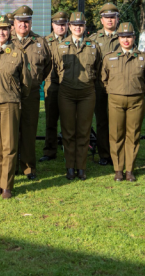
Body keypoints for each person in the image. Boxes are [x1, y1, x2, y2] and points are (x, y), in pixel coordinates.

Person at [0, 15, 32, 198]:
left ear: (10, 31)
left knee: (9, 145)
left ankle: (7, 185)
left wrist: (14, 95)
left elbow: (26, 83)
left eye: (4, 29)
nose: (1, 32)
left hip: (10, 102)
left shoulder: (18, 54)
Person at [50, 12, 100, 180]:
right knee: (68, 131)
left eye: (81, 25)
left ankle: (81, 167)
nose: (77, 27)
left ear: (84, 27)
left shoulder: (93, 46)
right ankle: (70, 166)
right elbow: (56, 69)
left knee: (84, 131)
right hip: (67, 93)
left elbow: (99, 70)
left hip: (87, 92)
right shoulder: (61, 46)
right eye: (74, 25)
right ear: (69, 27)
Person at [101, 22, 145, 182]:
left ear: (134, 37)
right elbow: (103, 79)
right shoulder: (109, 57)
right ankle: (118, 169)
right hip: (115, 100)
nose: (126, 40)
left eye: (129, 37)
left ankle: (130, 169)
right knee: (116, 135)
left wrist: (139, 92)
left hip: (136, 101)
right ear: (118, 38)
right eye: (123, 37)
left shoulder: (143, 58)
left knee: (133, 135)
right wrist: (113, 91)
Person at [11, 5, 51, 180]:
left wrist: (37, 81)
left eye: (26, 22)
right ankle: (11, 167)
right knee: (10, 132)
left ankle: (28, 167)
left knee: (28, 131)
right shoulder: (7, 41)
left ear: (30, 23)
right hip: (10, 94)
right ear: (14, 23)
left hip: (31, 94)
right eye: (20, 21)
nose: (23, 25)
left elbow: (48, 66)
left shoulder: (40, 42)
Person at [89, 3, 122, 166]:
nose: (110, 20)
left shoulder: (125, 36)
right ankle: (104, 153)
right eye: (107, 18)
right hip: (100, 86)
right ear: (101, 20)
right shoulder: (94, 39)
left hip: (119, 86)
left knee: (118, 121)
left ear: (117, 19)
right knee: (102, 121)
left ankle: (118, 153)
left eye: (113, 17)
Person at [41, 11, 69, 162]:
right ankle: (49, 151)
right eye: (58, 24)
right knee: (51, 120)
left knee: (68, 120)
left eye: (63, 25)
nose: (60, 27)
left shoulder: (72, 41)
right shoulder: (45, 42)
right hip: (51, 84)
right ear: (52, 25)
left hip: (69, 85)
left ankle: (68, 150)